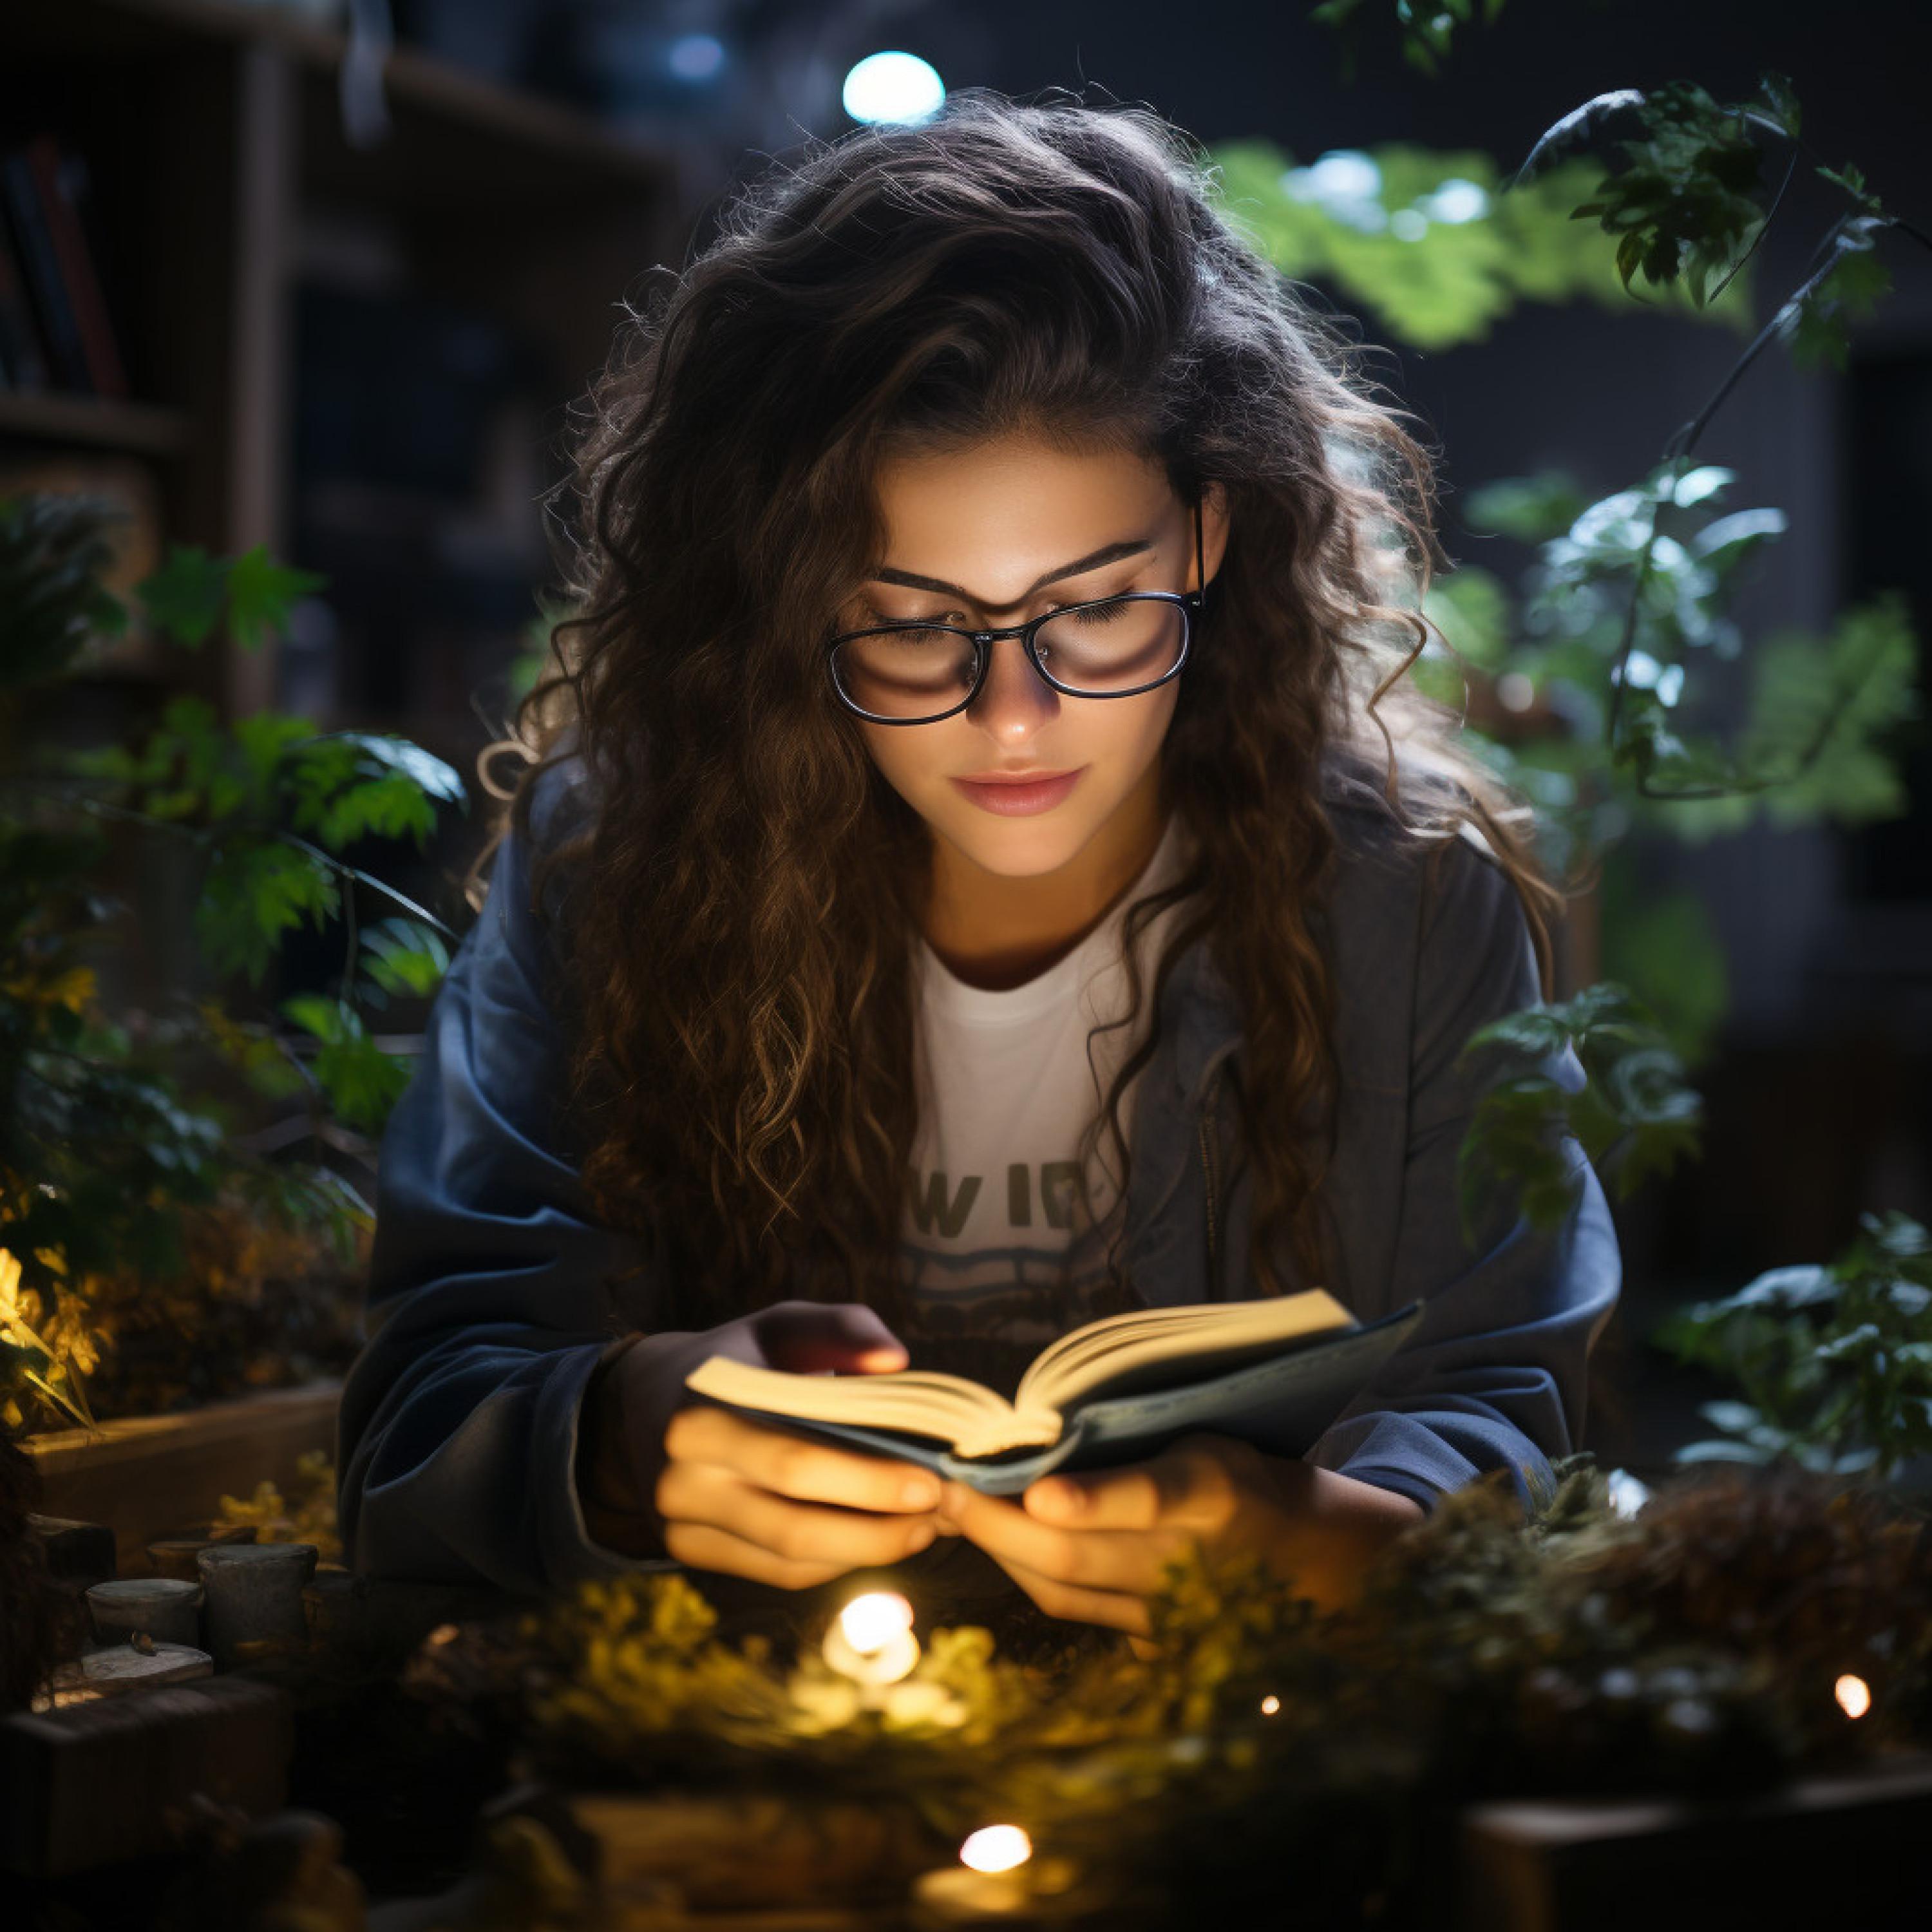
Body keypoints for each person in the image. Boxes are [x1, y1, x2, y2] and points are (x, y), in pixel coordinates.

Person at [335, 88, 1621, 1638]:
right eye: (916, 623)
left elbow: (1503, 1393)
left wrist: (1321, 1538)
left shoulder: (1410, 903)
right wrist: (619, 1435)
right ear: (802, 597)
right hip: (746, 1773)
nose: (1015, 716)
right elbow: (415, 1406)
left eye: (1093, 608)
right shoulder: (617, 865)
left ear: (1207, 539)